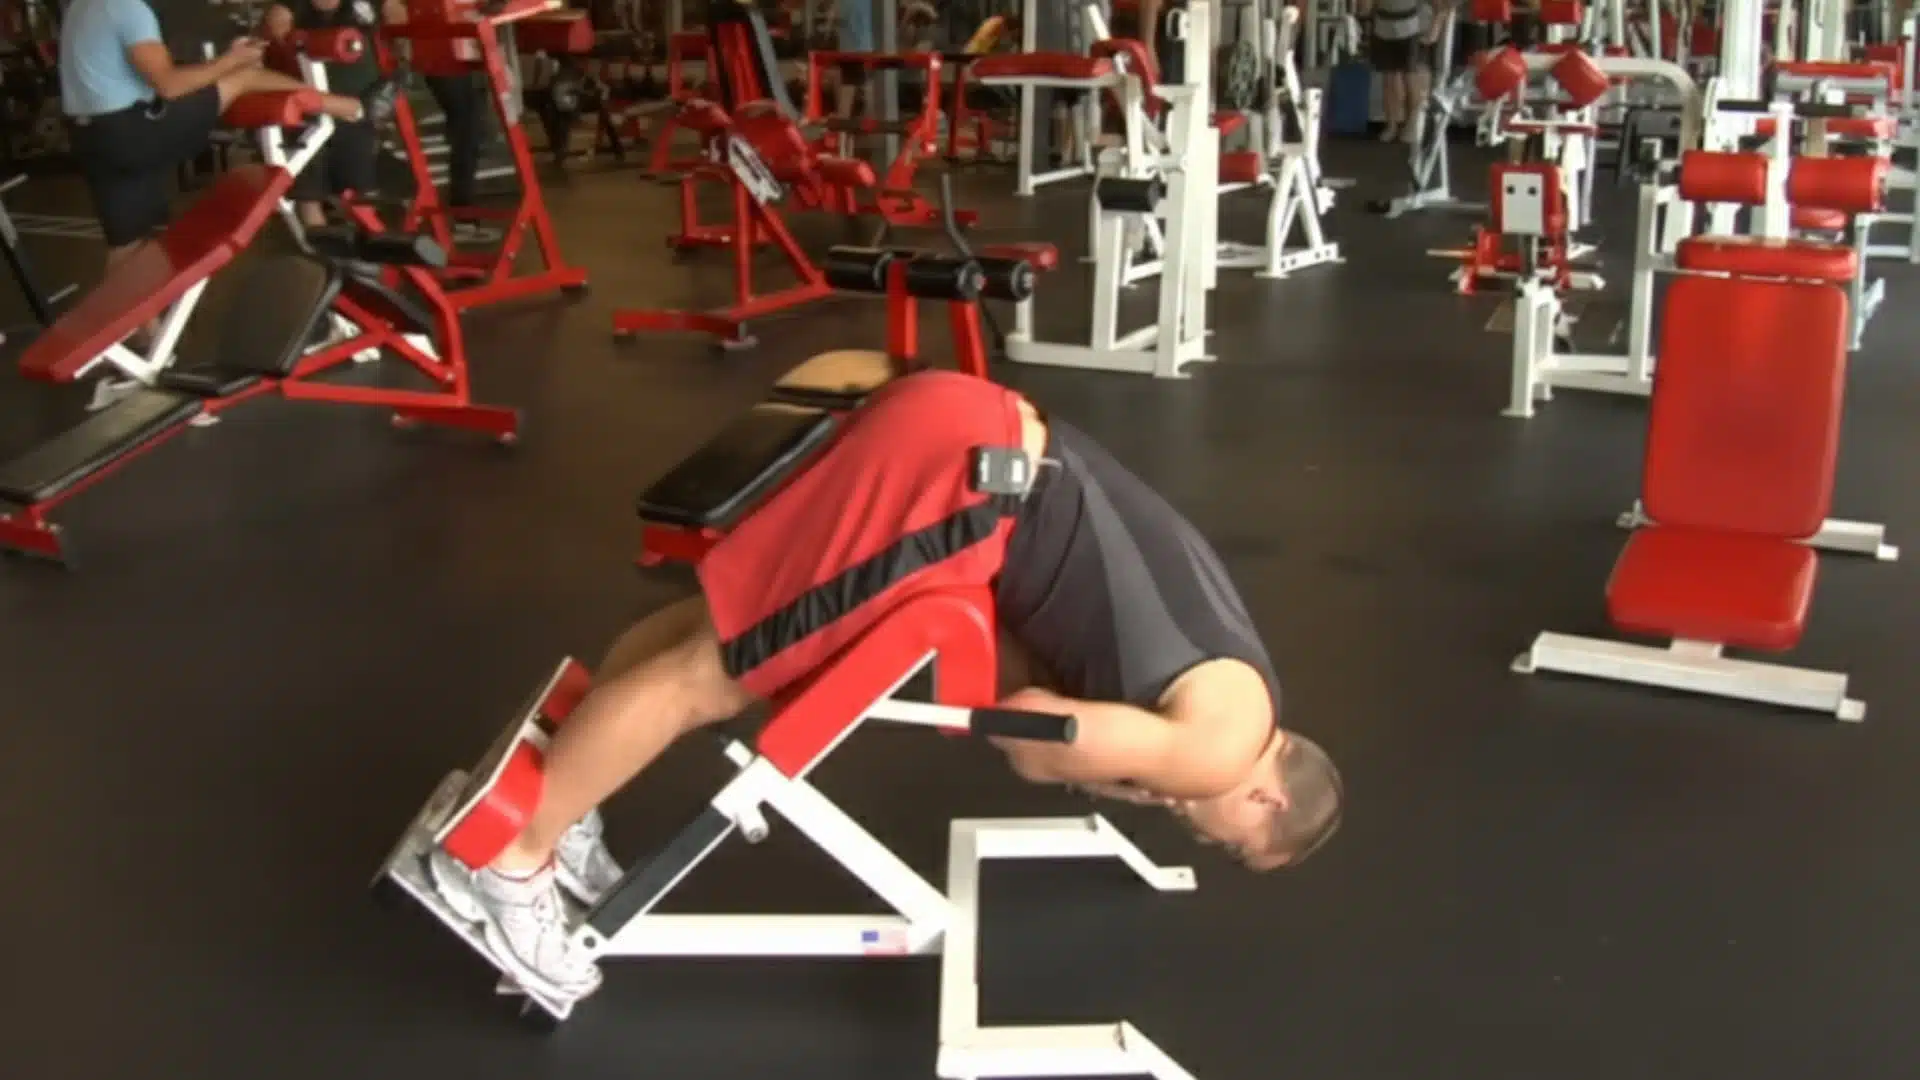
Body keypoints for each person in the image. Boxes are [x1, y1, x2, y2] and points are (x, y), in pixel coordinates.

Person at [428, 370, 1346, 1000]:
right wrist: (1121, 778)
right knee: (718, 677)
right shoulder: (1220, 752)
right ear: (1267, 793)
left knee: (717, 635)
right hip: (970, 480)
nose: (1205, 828)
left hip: (974, 433)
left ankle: (566, 794)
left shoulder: (1248, 676)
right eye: (1237, 843)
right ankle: (511, 862)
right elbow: (1027, 736)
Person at [57, 0, 386, 269]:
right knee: (243, 77)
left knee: (127, 245)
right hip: (133, 132)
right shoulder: (127, 8)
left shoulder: (81, 7)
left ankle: (144, 341)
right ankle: (343, 106)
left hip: (90, 137)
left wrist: (223, 62)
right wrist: (230, 61)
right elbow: (170, 85)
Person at [263, 0, 405, 231]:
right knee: (309, 197)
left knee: (358, 195)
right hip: (307, 112)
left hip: (356, 109)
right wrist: (283, 32)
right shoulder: (290, 7)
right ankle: (324, 249)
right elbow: (274, 27)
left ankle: (361, 251)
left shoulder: (369, 6)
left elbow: (401, 27)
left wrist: (397, 73)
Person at [1358, 0, 1438, 142]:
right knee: (1389, 79)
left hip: (1411, 26)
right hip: (1383, 27)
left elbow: (1438, 4)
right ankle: (1391, 126)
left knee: (1410, 77)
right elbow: (1365, 8)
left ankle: (1412, 125)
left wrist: (1435, 26)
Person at [834, 0, 874, 121]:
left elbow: (837, 17)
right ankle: (869, 120)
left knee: (848, 86)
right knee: (867, 84)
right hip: (866, 47)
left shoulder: (845, 3)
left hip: (851, 48)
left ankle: (843, 121)